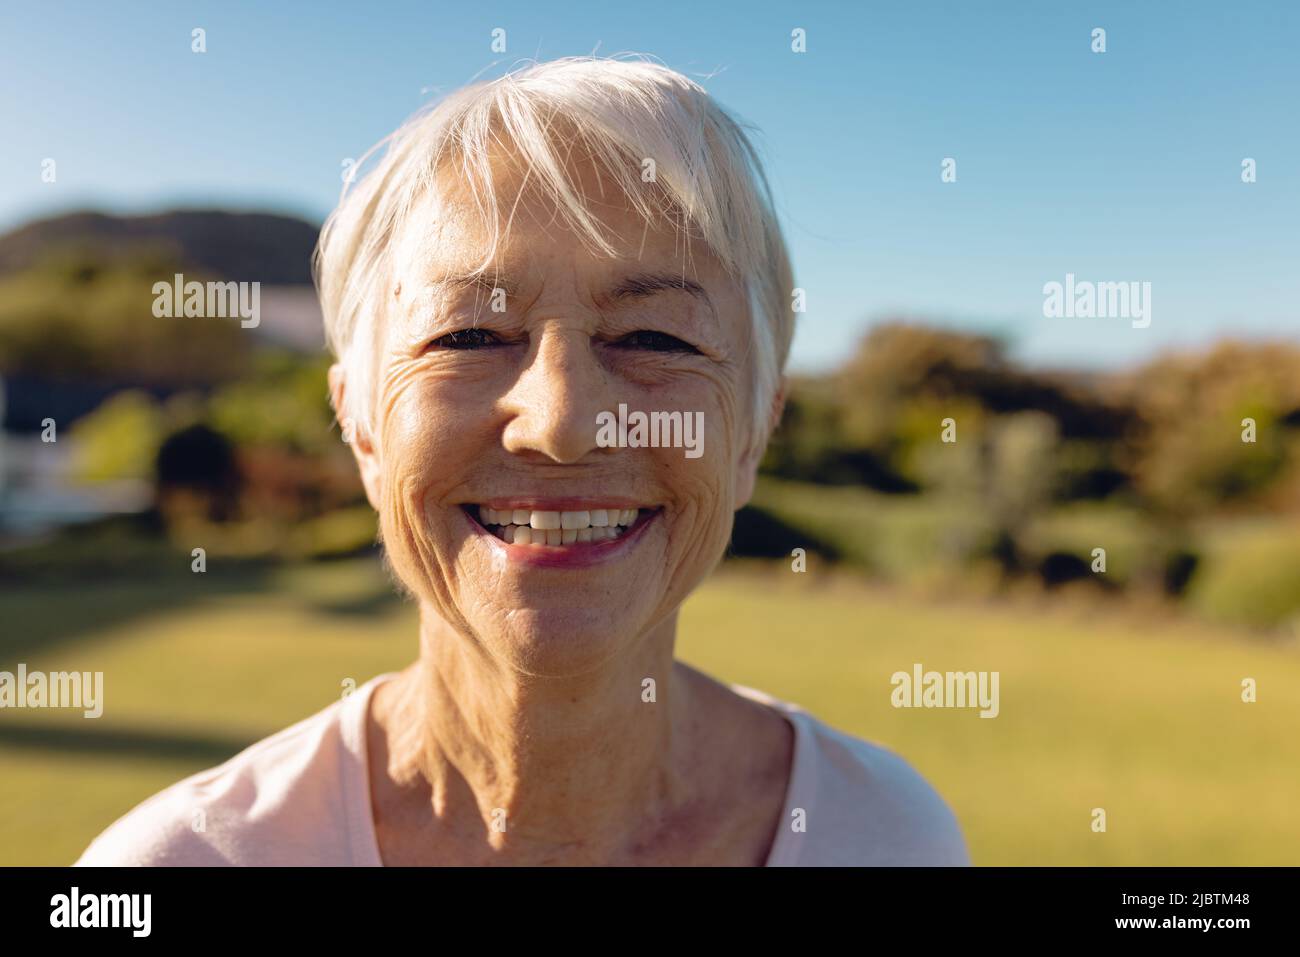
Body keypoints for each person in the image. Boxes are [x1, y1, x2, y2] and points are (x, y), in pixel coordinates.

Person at [76, 56, 969, 866]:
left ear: (751, 434)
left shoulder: (886, 835)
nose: (564, 422)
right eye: (469, 334)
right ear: (361, 426)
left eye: (654, 335)